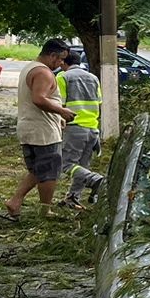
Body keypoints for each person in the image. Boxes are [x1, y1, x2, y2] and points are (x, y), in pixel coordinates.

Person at [0, 38, 75, 220]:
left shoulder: (30, 67)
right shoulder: (43, 73)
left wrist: (57, 116)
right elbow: (39, 99)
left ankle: (15, 201)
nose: (61, 64)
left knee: (36, 169)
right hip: (43, 131)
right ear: (52, 56)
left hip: (30, 127)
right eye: (59, 60)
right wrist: (62, 111)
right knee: (49, 171)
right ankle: (45, 210)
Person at [55, 50, 104, 207]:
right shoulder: (93, 78)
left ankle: (96, 180)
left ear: (63, 62)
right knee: (82, 166)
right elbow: (99, 102)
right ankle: (73, 197)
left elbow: (59, 104)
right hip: (93, 128)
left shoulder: (63, 77)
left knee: (66, 164)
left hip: (75, 127)